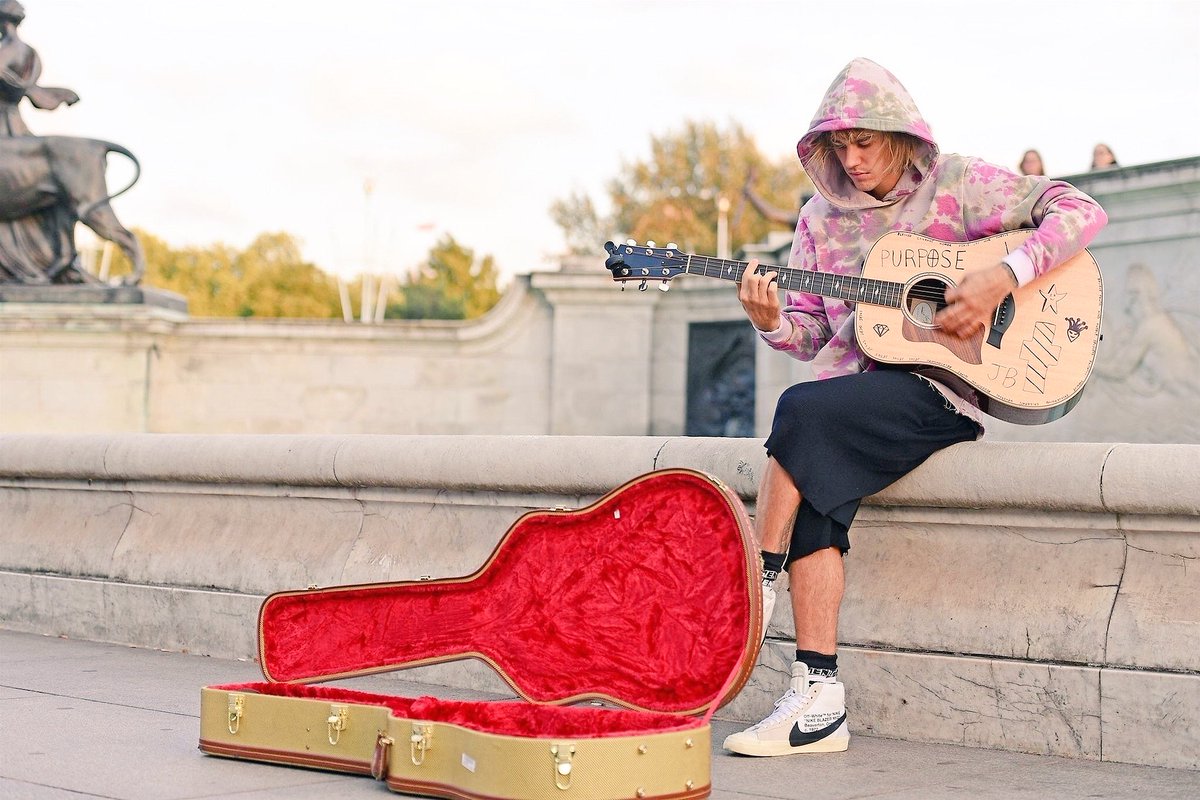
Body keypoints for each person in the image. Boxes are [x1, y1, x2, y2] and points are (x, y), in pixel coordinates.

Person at [721, 58, 1107, 757]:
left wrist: (1001, 277)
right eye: (839, 145)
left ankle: (757, 582)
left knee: (802, 414)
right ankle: (818, 699)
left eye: (865, 142)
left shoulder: (959, 185)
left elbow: (1082, 211)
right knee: (816, 472)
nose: (853, 159)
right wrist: (770, 319)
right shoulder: (818, 220)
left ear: (899, 133)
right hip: (854, 401)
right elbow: (811, 336)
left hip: (940, 391)